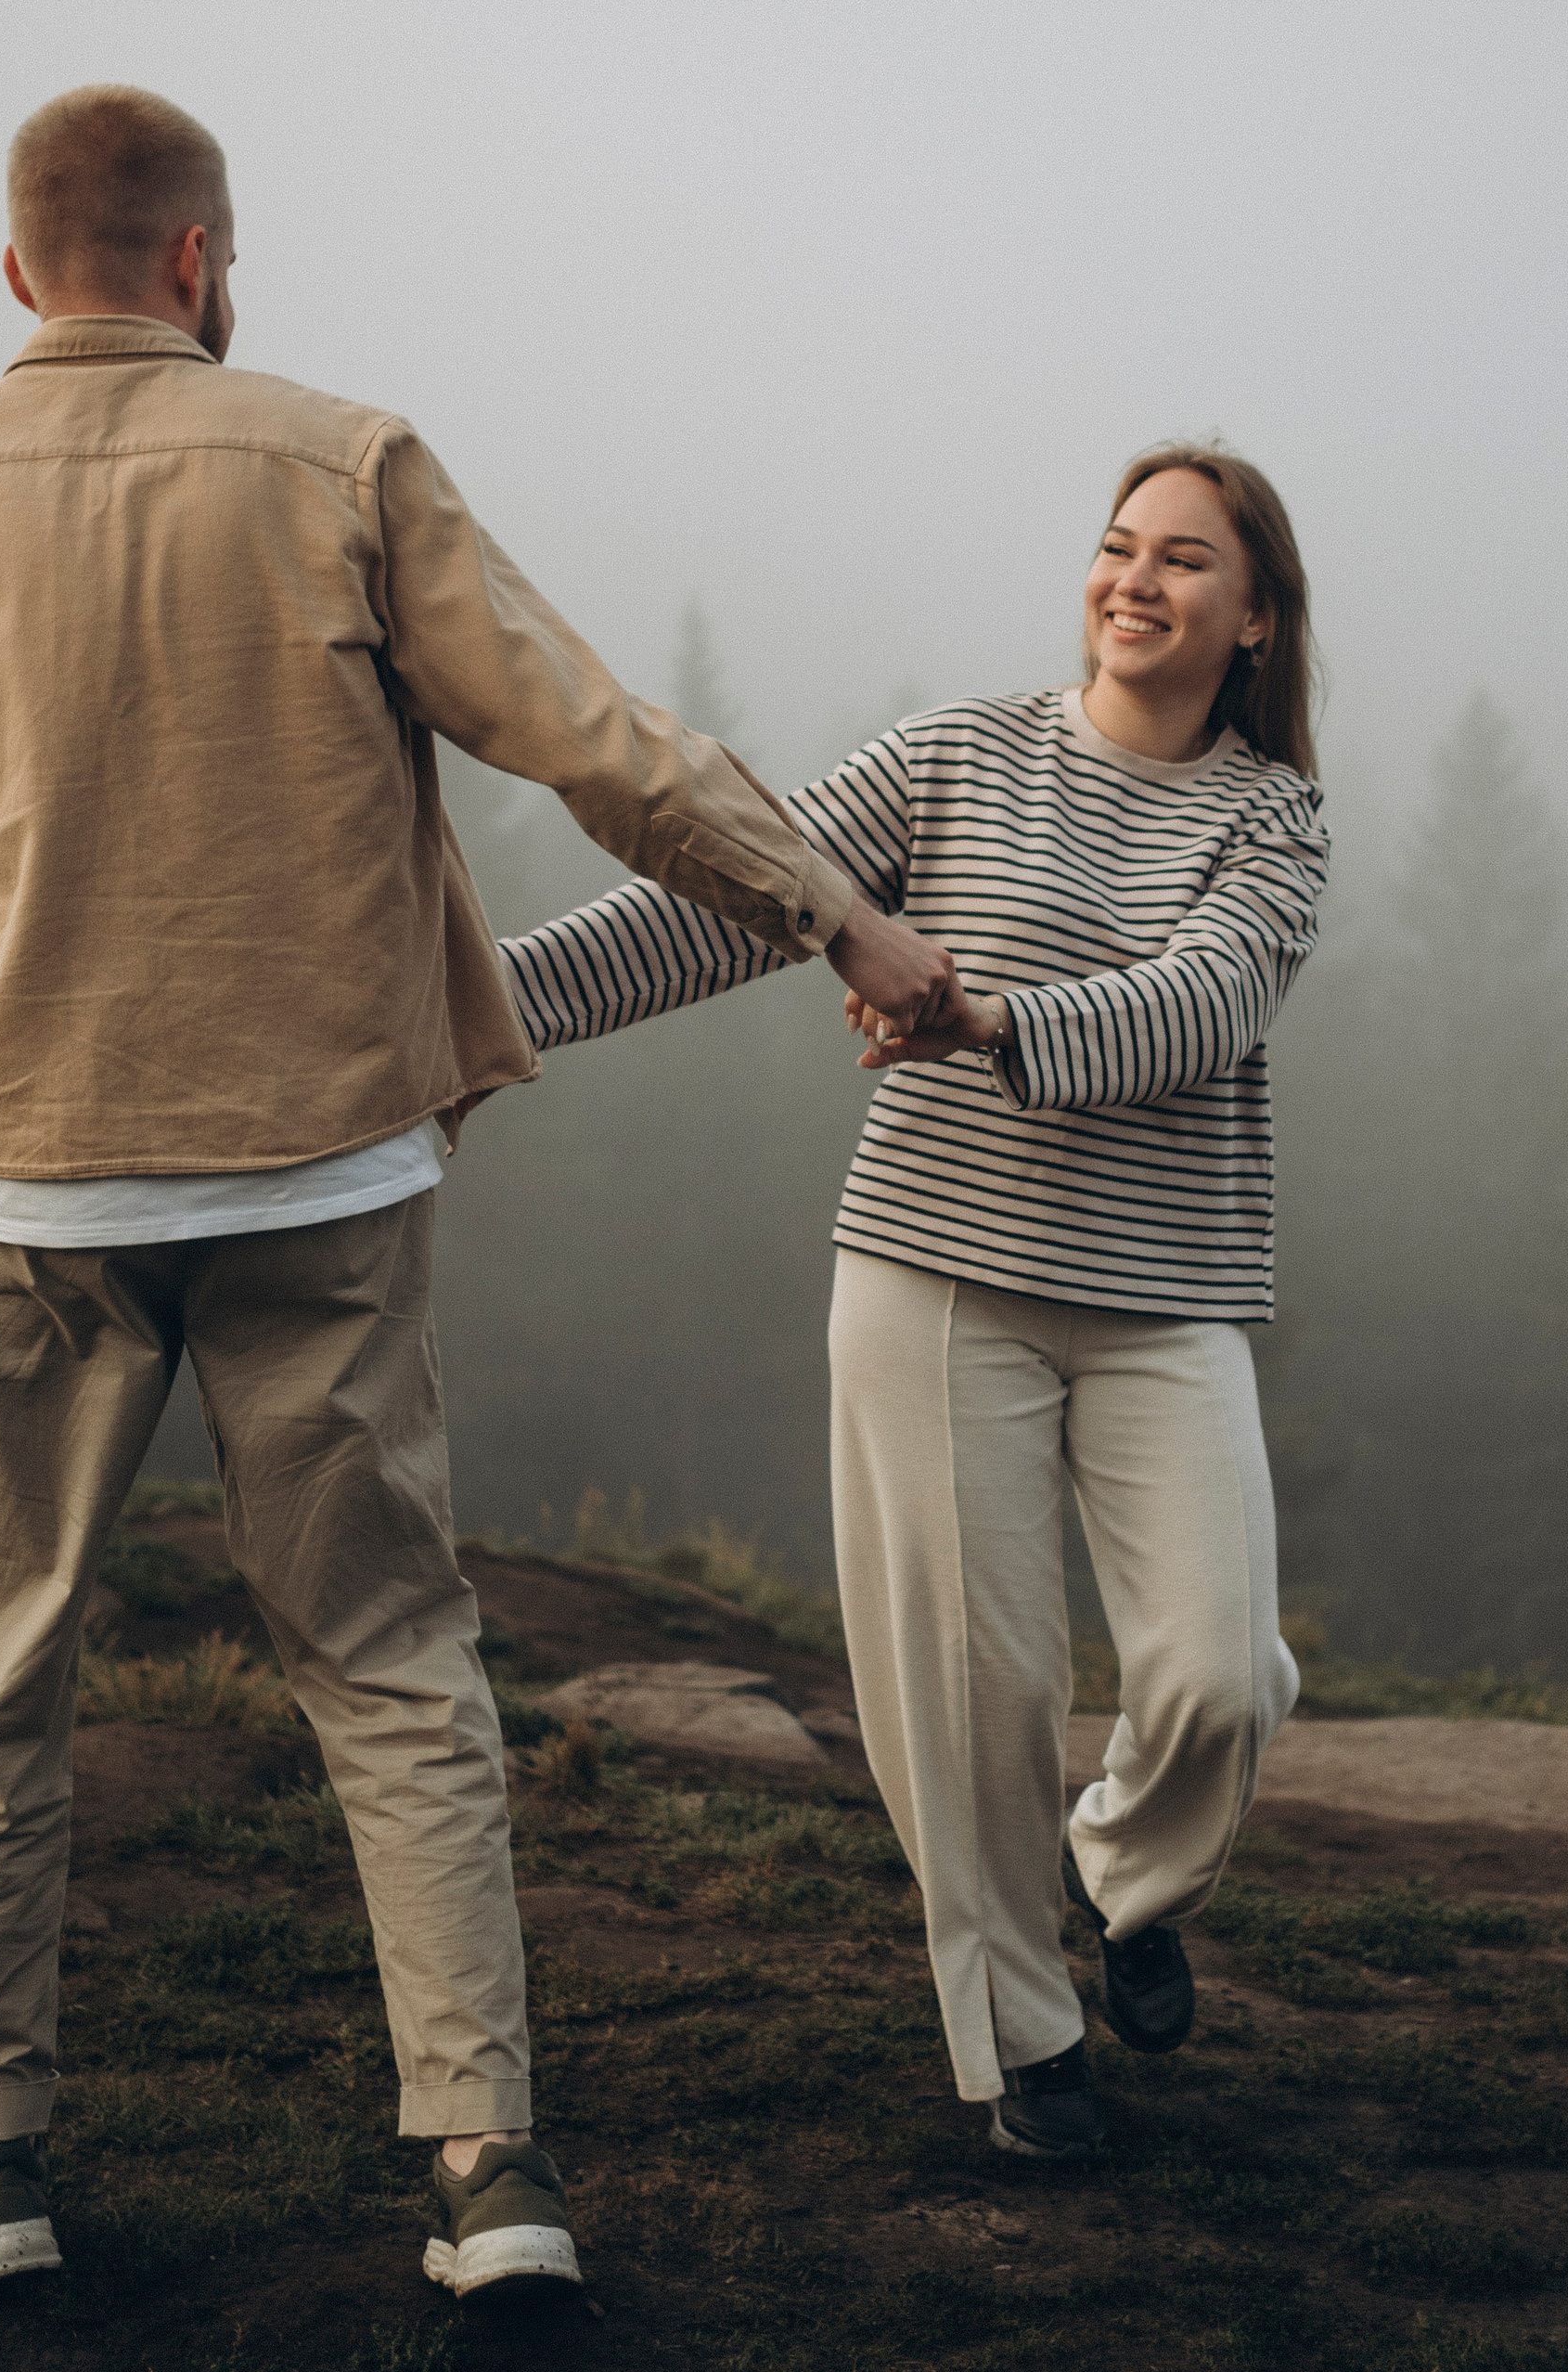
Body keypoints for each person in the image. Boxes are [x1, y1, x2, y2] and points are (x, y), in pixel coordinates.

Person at [0, 85, 954, 2290]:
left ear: (12, 272)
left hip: (30, 1183)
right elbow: (589, 741)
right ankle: (483, 2169)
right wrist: (838, 913)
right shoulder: (337, 463)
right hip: (314, 1174)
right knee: (386, 1661)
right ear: (199, 260)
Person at [502, 445, 1329, 2158]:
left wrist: (991, 1023)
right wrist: (486, 1003)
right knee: (977, 1681)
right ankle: (1023, 2036)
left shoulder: (1274, 819)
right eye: (1116, 546)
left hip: (1164, 1294)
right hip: (934, 1269)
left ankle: (1130, 1876)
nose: (1135, 579)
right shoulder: (961, 753)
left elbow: (1203, 1005)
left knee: (1222, 1679)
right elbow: (738, 893)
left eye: (1184, 559)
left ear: (1253, 617)